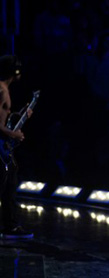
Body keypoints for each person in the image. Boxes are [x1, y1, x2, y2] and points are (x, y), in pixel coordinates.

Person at [0, 55, 33, 239]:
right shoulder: (2, 91)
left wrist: (22, 116)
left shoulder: (5, 90)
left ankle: (10, 226)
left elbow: (4, 119)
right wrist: (14, 134)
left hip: (3, 146)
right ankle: (10, 226)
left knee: (10, 182)